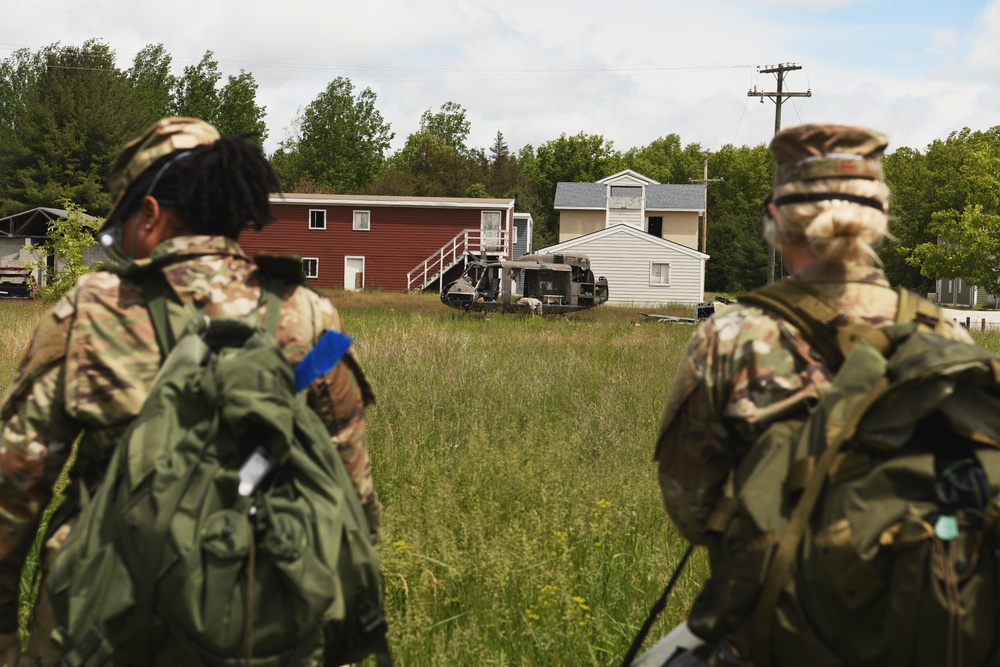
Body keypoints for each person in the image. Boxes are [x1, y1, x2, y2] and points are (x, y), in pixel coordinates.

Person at [0, 117, 380, 665]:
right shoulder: (309, 314)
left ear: (150, 215)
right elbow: (353, 492)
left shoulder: (91, 309)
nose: (122, 246)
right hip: (261, 622)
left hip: (102, 625)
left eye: (120, 230)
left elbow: (14, 490)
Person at [651, 124, 973, 666]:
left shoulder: (732, 336)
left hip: (774, 635)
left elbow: (691, 508)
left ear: (777, 218)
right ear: (881, 218)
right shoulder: (947, 337)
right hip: (926, 631)